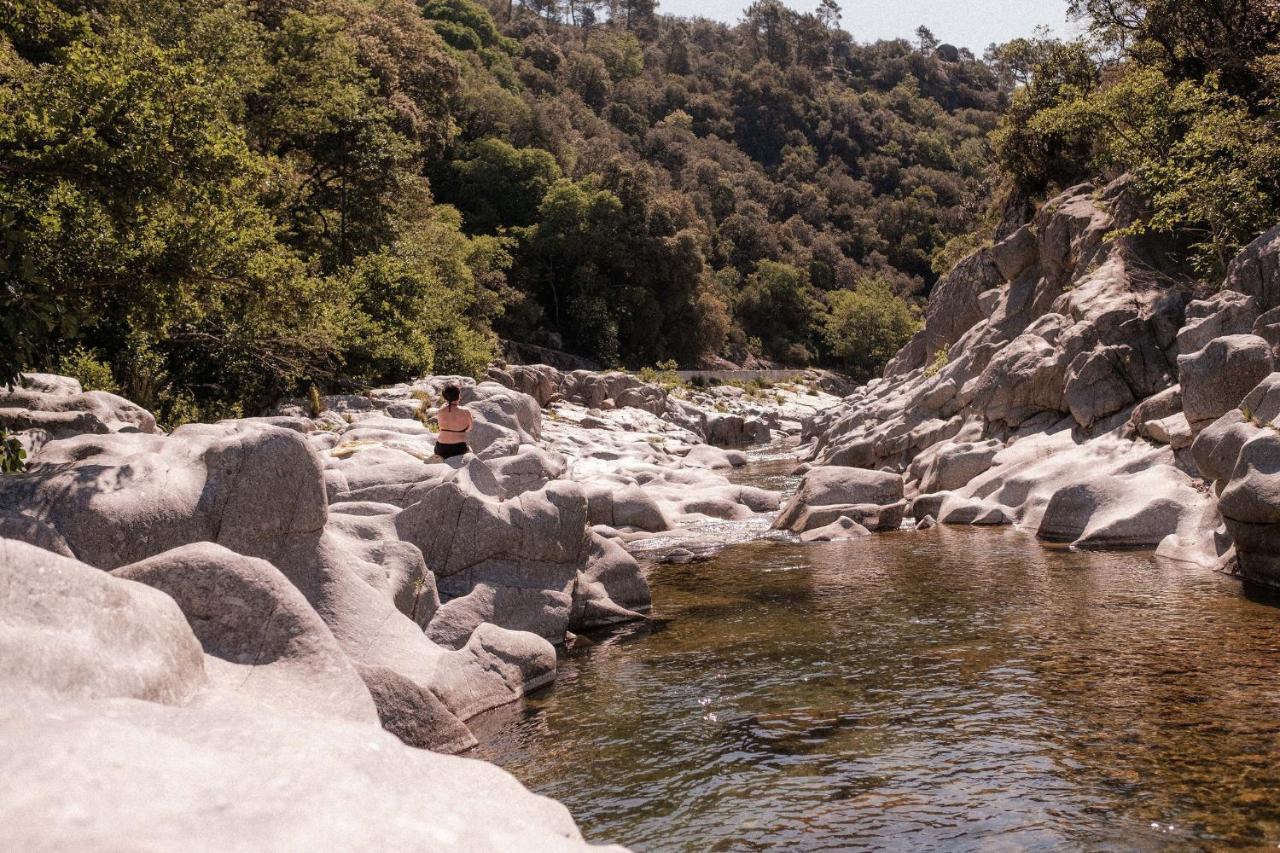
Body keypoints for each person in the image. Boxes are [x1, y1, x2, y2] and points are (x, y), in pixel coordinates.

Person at [434, 385, 472, 460]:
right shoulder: (466, 412)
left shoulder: (440, 412)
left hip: (441, 448)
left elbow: (440, 428)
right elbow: (469, 428)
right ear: (458, 396)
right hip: (459, 449)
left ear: (446, 397)